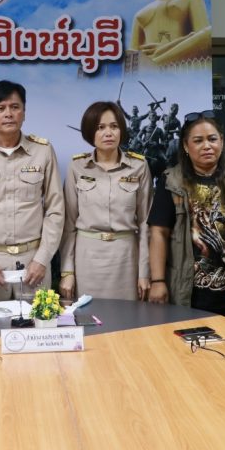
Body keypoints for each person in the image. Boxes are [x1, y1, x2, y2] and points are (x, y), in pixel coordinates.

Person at [0, 80, 64, 302]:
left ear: (24, 112)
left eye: (15, 107)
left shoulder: (43, 151)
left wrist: (42, 259)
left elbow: (55, 210)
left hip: (34, 263)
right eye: (0, 108)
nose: (8, 114)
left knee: (37, 323)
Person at [58, 101, 152, 301]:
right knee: (87, 316)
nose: (108, 133)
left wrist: (144, 272)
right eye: (100, 127)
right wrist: (67, 271)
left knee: (127, 317)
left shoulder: (139, 166)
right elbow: (68, 224)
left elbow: (145, 223)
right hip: (87, 258)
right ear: (89, 132)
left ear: (122, 130)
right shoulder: (77, 166)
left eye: (114, 126)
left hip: (126, 258)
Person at [147, 111, 225, 314]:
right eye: (198, 141)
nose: (207, 146)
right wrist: (158, 281)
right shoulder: (171, 181)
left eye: (212, 139)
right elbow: (158, 233)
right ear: (186, 146)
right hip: (187, 289)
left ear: (222, 142)